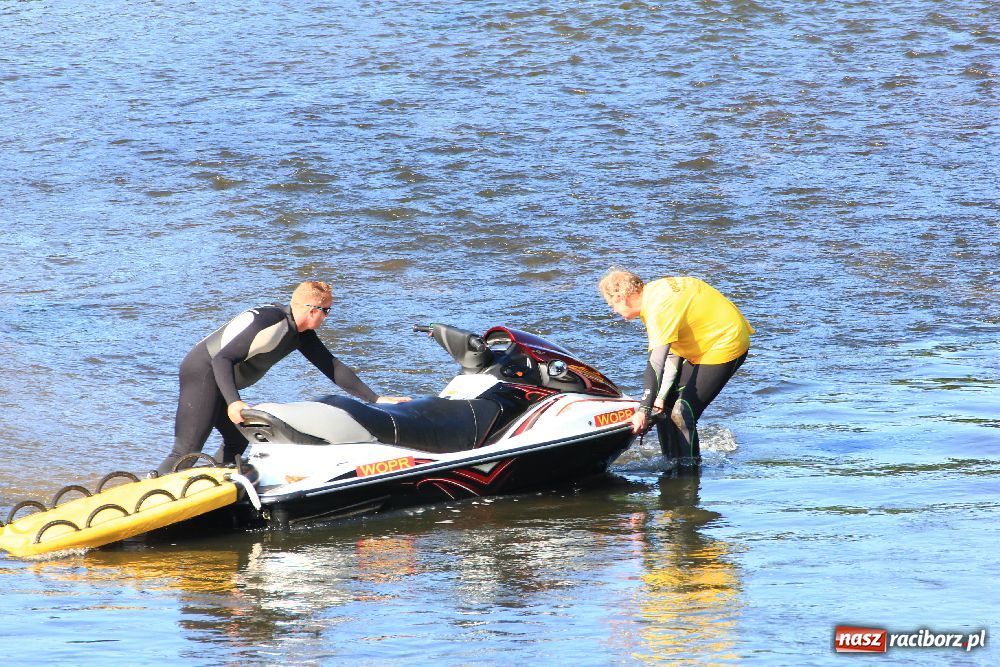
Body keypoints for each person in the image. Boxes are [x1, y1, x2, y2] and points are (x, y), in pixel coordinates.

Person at [157, 280, 409, 475]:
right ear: (312, 310)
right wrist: (234, 401)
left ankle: (210, 486)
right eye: (327, 311)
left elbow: (332, 367)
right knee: (186, 450)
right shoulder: (272, 323)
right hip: (203, 372)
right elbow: (222, 359)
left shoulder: (300, 334)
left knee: (237, 438)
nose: (327, 317)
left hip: (221, 379)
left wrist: (375, 399)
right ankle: (148, 500)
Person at [598, 269, 753, 465]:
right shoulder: (653, 294)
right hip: (702, 343)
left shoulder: (658, 309)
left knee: (683, 412)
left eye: (612, 305)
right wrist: (660, 397)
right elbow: (672, 354)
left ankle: (688, 474)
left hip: (726, 342)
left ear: (623, 298)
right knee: (664, 407)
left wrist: (642, 410)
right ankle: (670, 462)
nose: (614, 311)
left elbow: (656, 363)